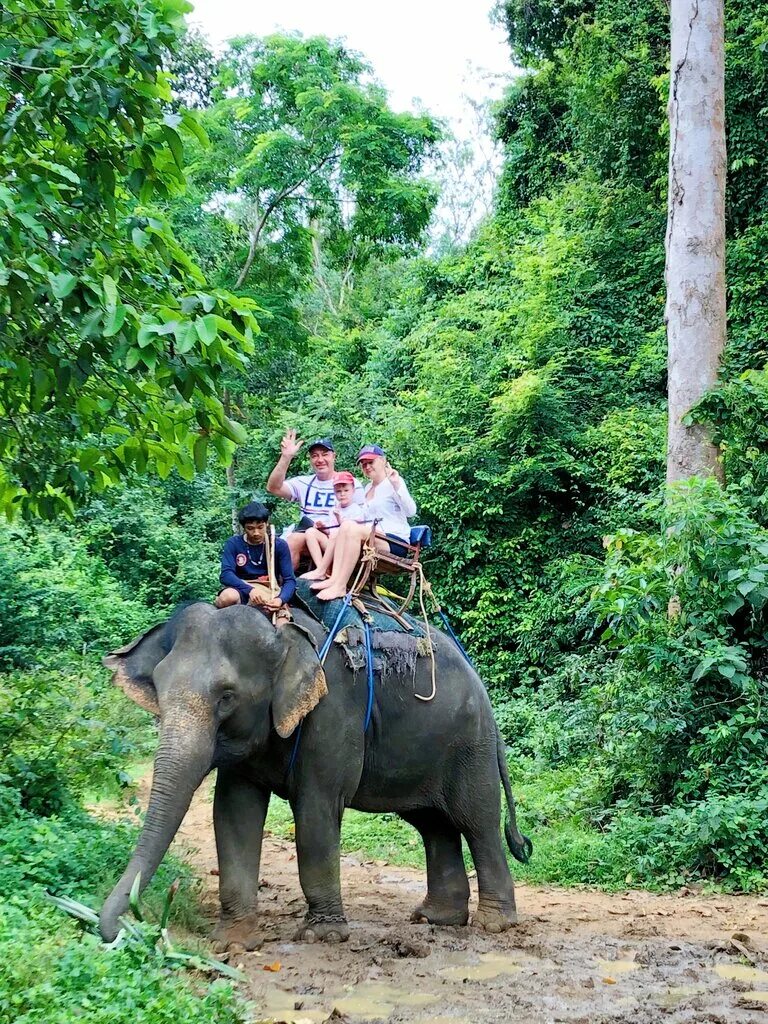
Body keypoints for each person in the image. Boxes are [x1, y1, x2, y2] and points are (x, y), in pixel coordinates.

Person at [311, 445, 416, 602]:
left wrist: (396, 485)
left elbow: (411, 511)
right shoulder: (367, 488)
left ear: (382, 461)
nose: (367, 467)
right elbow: (361, 519)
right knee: (345, 527)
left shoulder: (393, 481)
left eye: (370, 462)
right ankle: (333, 578)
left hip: (394, 541)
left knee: (350, 528)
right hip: (373, 537)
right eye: (363, 464)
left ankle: (340, 585)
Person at [266, 431, 364, 569]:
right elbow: (273, 488)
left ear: (334, 457)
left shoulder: (350, 484)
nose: (320, 460)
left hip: (337, 536)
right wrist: (286, 457)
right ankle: (283, 584)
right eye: (315, 456)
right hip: (307, 532)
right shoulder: (304, 483)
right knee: (289, 540)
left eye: (325, 455)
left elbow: (362, 518)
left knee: (298, 538)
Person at [215, 502, 295, 625]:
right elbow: (226, 574)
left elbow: (290, 580)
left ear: (267, 524)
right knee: (227, 597)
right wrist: (250, 590)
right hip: (242, 588)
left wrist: (280, 599)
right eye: (250, 528)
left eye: (260, 527)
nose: (256, 533)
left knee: (284, 628)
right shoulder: (233, 543)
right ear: (244, 528)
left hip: (270, 591)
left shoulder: (278, 545)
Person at [300, 471, 368, 581]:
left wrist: (339, 518)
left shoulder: (356, 510)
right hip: (332, 543)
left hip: (346, 547)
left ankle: (322, 570)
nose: (342, 494)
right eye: (338, 491)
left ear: (353, 491)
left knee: (336, 534)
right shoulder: (334, 509)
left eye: (346, 490)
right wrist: (322, 528)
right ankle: (321, 568)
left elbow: (350, 531)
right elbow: (331, 531)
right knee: (310, 532)